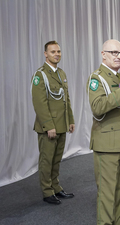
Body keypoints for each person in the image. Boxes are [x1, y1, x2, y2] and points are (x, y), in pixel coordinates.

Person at [87, 39, 120, 225]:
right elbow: (97, 107)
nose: (118, 56)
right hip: (107, 144)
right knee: (107, 193)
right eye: (114, 52)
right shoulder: (97, 78)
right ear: (103, 54)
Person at [31, 40, 75, 205]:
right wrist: (49, 125)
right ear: (45, 54)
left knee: (57, 159)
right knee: (47, 159)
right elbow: (39, 104)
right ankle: (47, 191)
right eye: (53, 52)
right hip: (48, 127)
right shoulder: (40, 75)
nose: (57, 54)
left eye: (58, 51)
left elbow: (66, 100)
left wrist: (70, 120)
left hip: (62, 124)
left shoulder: (61, 73)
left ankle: (56, 187)